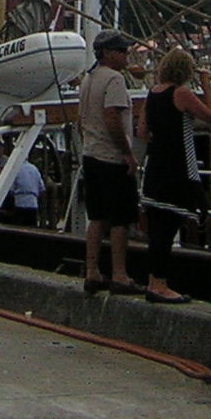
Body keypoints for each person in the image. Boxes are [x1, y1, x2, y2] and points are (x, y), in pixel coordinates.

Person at [138, 47, 211, 304]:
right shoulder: (180, 93)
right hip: (179, 167)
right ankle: (160, 284)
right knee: (171, 224)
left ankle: (154, 281)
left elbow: (142, 131)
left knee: (157, 228)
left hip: (155, 167)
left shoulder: (152, 94)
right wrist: (206, 86)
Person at [78, 29, 143, 295]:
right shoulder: (114, 79)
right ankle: (119, 274)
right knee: (120, 220)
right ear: (108, 53)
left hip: (91, 155)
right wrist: (128, 153)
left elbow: (81, 120)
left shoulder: (88, 79)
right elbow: (112, 117)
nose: (126, 55)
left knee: (97, 217)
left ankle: (92, 270)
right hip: (111, 158)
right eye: (122, 51)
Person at [8, 156, 45, 227]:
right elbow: (42, 188)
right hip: (33, 203)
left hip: (19, 203)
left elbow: (11, 190)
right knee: (31, 229)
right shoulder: (35, 169)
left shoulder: (15, 169)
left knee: (18, 229)